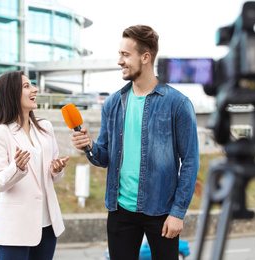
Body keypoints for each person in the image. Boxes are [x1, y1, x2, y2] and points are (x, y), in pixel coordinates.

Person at [71, 25, 200, 260]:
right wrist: (89, 145)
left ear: (145, 57)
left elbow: (190, 161)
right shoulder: (112, 104)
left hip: (162, 211)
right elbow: (105, 157)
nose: (119, 61)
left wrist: (178, 213)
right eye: (119, 54)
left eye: (125, 54)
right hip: (120, 211)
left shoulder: (178, 104)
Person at [0, 71, 69, 260]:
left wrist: (56, 170)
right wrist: (17, 169)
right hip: (15, 229)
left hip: (47, 225)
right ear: (10, 93)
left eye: (32, 85)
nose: (35, 89)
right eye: (26, 86)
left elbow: (54, 176)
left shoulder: (45, 127)